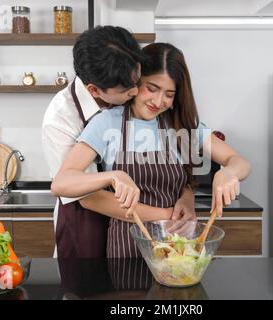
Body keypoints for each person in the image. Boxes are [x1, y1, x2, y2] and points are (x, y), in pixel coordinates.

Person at [51, 43, 251, 258]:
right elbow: (62, 182)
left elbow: (239, 161)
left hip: (178, 245)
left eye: (169, 94)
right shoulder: (107, 122)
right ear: (136, 81)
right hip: (127, 247)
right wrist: (114, 176)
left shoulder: (181, 124)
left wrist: (227, 173)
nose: (158, 101)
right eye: (152, 88)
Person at [42, 26, 196, 258]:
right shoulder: (60, 120)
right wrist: (167, 215)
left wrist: (186, 196)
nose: (137, 92)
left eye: (139, 81)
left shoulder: (134, 96)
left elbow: (169, 169)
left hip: (133, 226)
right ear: (94, 90)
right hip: (87, 223)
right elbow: (88, 197)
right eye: (128, 90)